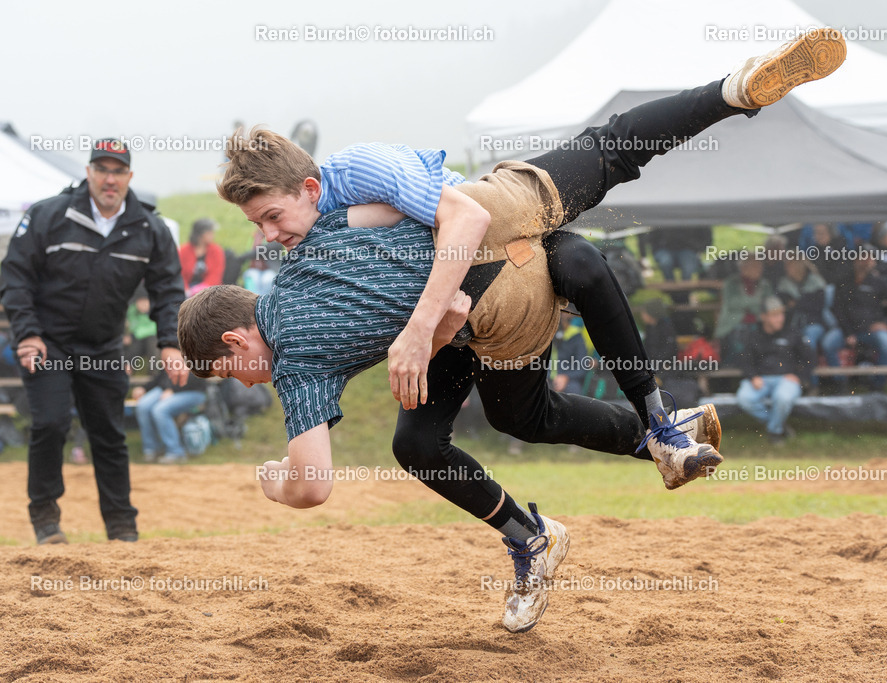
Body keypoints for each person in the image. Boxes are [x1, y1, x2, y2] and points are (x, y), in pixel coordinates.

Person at [180, 29, 845, 632]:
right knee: (470, 420)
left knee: (587, 222)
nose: (268, 238)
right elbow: (391, 256)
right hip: (484, 302)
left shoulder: (352, 174)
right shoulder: (316, 238)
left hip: (489, 223)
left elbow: (460, 218)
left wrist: (419, 331)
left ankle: (659, 426)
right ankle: (651, 444)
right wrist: (434, 326)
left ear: (305, 184)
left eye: (270, 217)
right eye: (258, 227)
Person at [0, 138, 188, 544]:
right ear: (87, 172)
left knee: (108, 433)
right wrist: (28, 333)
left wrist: (170, 343)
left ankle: (122, 526)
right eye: (101, 169)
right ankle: (46, 519)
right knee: (50, 424)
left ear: (129, 177)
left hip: (103, 347)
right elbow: (15, 277)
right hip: (47, 343)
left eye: (118, 170)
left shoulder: (149, 229)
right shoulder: (48, 215)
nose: (109, 178)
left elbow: (168, 289)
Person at [736, 296, 815, 442]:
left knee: (783, 397)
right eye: (774, 315)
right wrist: (753, 377)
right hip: (761, 379)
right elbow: (745, 361)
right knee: (744, 398)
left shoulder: (792, 333)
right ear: (763, 317)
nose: (780, 319)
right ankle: (778, 424)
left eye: (781, 314)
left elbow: (810, 358)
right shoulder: (753, 335)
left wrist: (799, 376)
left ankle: (775, 432)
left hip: (786, 379)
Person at [821, 251, 887, 388]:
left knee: (886, 343)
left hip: (870, 330)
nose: (866, 261)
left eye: (869, 258)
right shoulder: (843, 281)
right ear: (855, 260)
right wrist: (848, 332)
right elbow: (837, 309)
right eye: (863, 257)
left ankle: (877, 384)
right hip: (846, 330)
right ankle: (840, 383)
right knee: (828, 343)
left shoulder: (878, 282)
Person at [132, 372, 208, 463]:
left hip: (192, 391)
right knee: (143, 406)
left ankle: (176, 452)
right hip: (165, 389)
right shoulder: (171, 357)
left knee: (160, 410)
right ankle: (153, 449)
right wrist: (144, 388)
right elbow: (161, 376)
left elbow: (198, 378)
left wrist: (173, 390)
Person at [714, 251, 771, 363]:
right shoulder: (731, 282)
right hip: (733, 323)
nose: (760, 268)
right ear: (744, 267)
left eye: (760, 265)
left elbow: (768, 305)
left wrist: (748, 304)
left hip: (758, 323)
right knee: (741, 336)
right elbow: (734, 304)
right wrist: (756, 302)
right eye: (755, 265)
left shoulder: (765, 284)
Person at [179, 218, 225, 296]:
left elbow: (216, 275)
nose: (213, 235)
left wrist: (203, 290)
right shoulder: (183, 251)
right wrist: (186, 290)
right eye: (209, 233)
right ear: (201, 235)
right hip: (186, 291)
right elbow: (179, 274)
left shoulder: (216, 251)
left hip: (210, 291)